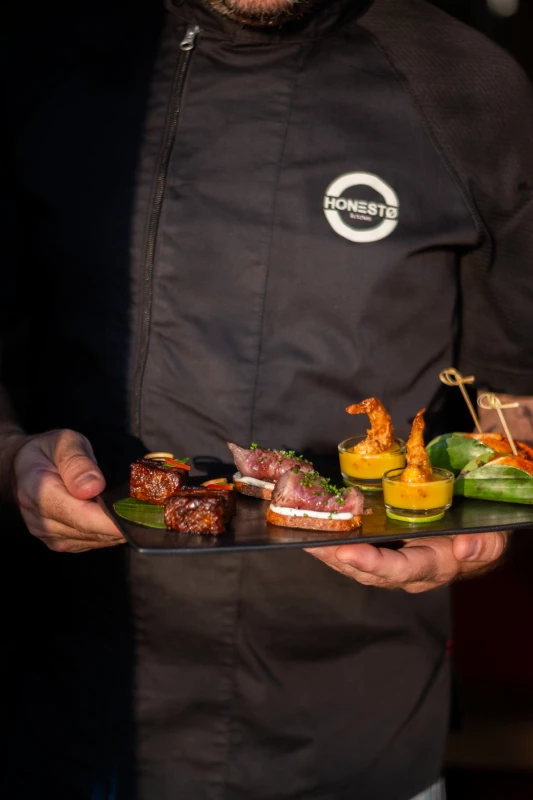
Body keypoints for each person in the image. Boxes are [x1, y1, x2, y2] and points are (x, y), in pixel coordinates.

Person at [1, 0, 532, 797]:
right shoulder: (35, 59)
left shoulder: (465, 81)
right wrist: (8, 455)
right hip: (67, 714)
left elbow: (513, 394)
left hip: (361, 733)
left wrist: (488, 524)